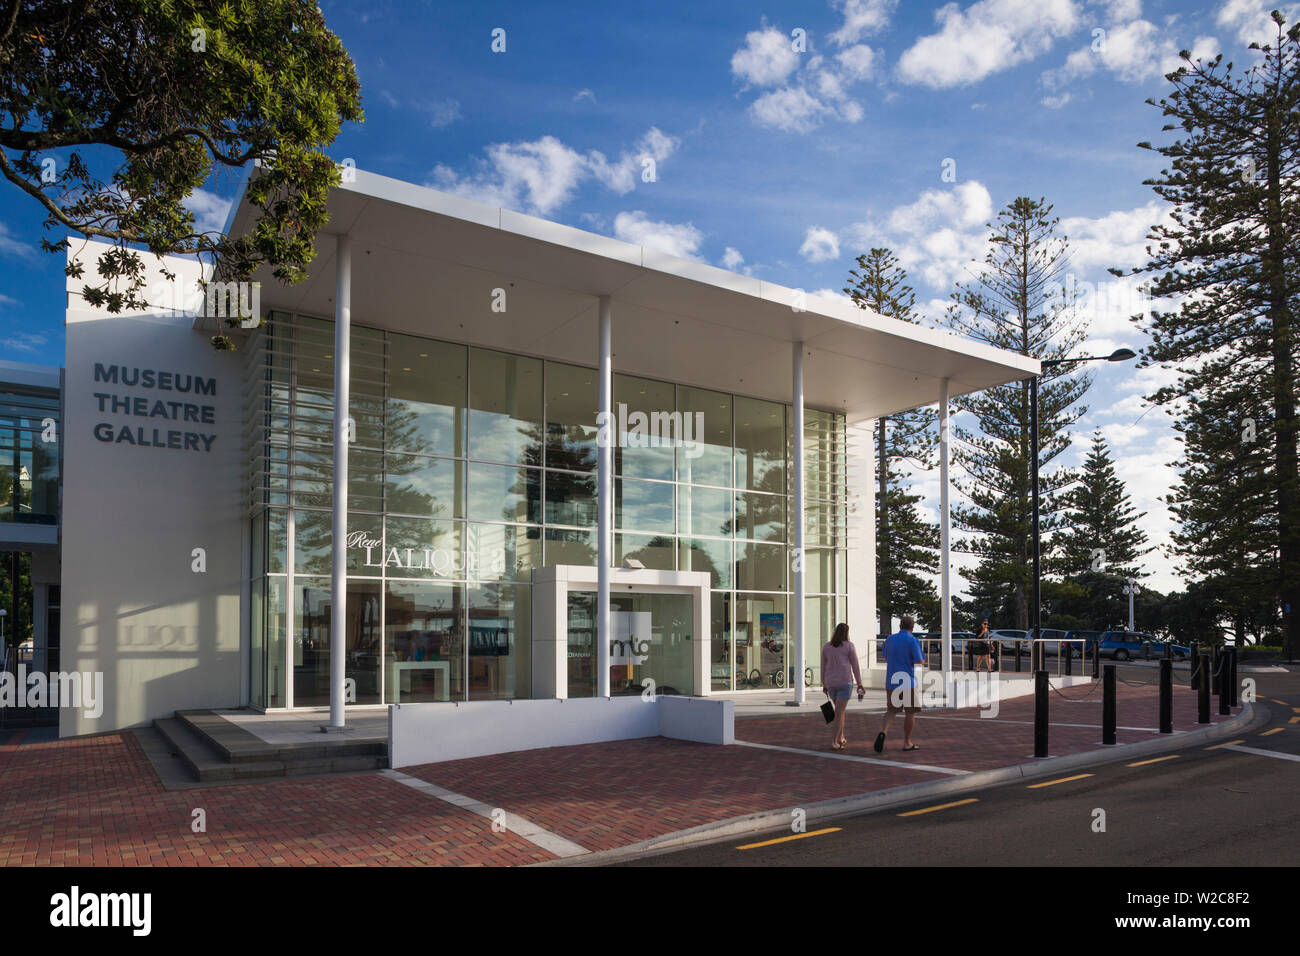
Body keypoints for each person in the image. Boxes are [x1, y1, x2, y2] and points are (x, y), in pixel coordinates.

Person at [875, 614, 924, 753]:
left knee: (891, 711)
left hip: (892, 681)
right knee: (910, 712)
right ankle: (907, 742)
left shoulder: (890, 639)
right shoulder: (913, 640)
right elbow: (920, 660)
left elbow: (885, 655)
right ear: (912, 628)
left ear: (900, 625)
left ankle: (883, 731)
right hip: (908, 681)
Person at [820, 622, 864, 751]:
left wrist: (824, 683)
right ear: (846, 633)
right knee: (839, 713)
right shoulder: (849, 646)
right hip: (845, 682)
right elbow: (855, 665)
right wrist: (859, 682)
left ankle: (841, 737)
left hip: (831, 683)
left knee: (840, 712)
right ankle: (834, 740)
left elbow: (823, 666)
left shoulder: (826, 647)